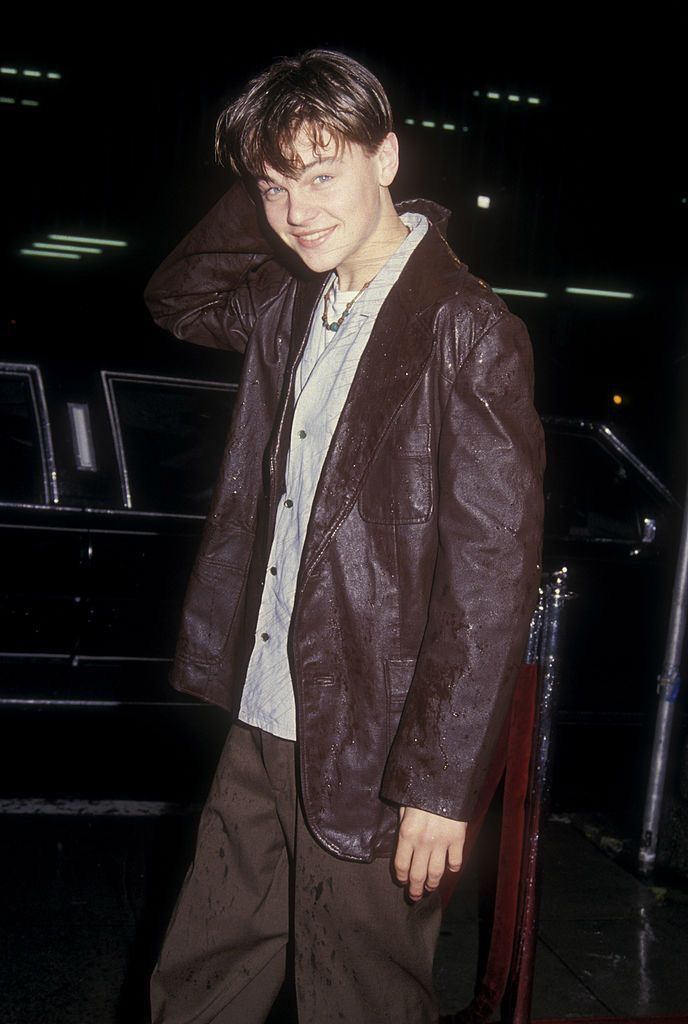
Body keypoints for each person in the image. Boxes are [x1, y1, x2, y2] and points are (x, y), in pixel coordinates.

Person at [145, 49, 544, 1024]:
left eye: (322, 174)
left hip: (380, 733)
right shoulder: (290, 302)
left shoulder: (464, 326)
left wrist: (441, 784)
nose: (295, 209)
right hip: (265, 702)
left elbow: (490, 577)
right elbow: (180, 297)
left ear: (388, 159)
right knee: (202, 980)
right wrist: (274, 168)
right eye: (274, 187)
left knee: (357, 996)